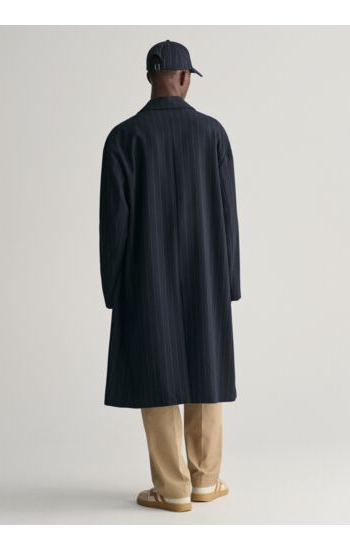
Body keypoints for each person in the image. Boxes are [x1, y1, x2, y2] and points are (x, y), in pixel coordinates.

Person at [99, 40, 241, 512]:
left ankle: (172, 488)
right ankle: (205, 480)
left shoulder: (123, 137)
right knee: (206, 367)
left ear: (150, 77)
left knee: (156, 372)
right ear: (183, 78)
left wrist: (115, 288)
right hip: (206, 272)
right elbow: (228, 215)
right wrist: (230, 281)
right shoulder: (212, 133)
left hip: (147, 275)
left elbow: (113, 224)